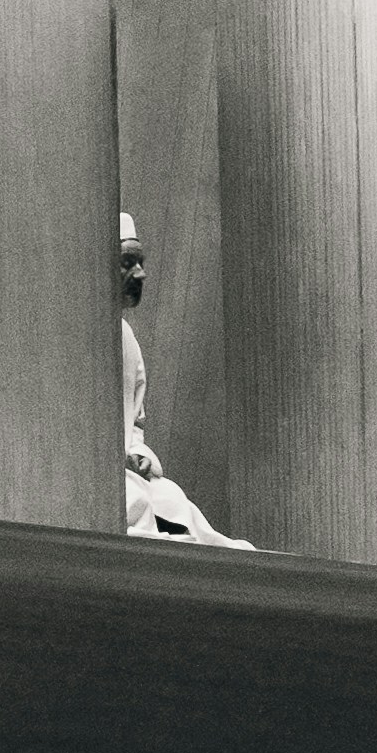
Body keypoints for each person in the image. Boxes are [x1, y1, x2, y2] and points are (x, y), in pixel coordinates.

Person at [117, 213, 249, 547]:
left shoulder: (125, 336)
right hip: (102, 480)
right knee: (137, 503)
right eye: (128, 263)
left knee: (171, 500)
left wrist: (137, 452)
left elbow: (134, 422)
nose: (140, 273)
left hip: (128, 471)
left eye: (140, 262)